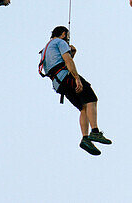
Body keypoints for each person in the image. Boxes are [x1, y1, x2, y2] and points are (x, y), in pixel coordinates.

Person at [39, 26, 112, 155]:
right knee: (91, 99)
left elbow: (57, 62)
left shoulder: (46, 48)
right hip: (66, 77)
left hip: (59, 83)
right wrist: (76, 78)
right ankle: (95, 132)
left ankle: (85, 139)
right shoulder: (60, 42)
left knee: (83, 107)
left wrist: (72, 53)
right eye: (67, 35)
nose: (67, 38)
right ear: (63, 34)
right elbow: (68, 61)